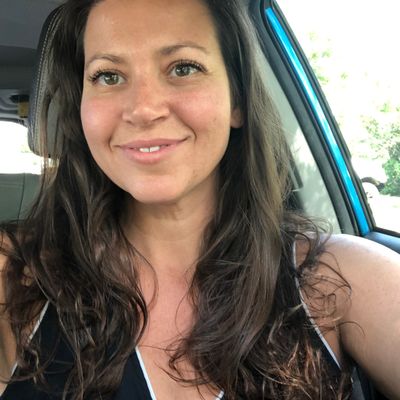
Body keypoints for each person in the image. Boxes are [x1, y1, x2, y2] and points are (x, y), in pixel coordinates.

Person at [0, 0, 399, 399]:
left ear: (237, 100)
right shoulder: (14, 274)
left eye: (183, 68)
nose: (143, 109)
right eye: (108, 76)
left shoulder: (339, 278)